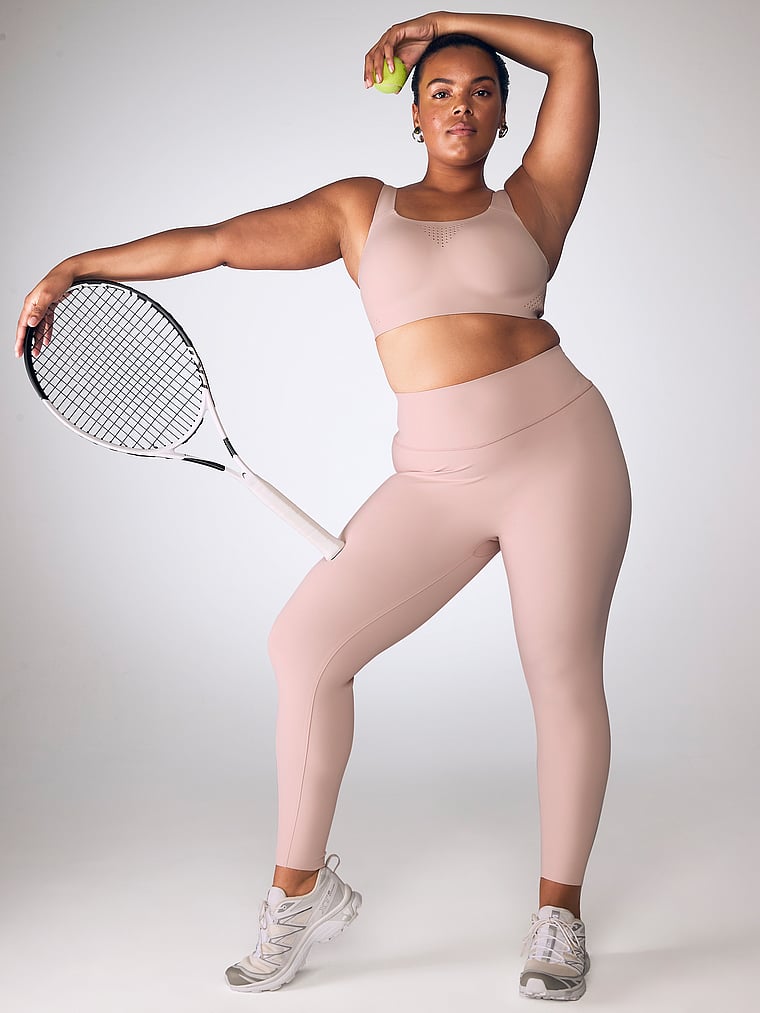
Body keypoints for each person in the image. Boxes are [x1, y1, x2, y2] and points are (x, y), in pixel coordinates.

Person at [15, 11, 632, 1003]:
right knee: (304, 646)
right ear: (413, 115)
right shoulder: (358, 211)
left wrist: (440, 23)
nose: (461, 107)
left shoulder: (535, 199)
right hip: (434, 478)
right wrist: (79, 265)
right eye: (441, 92)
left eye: (481, 92)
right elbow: (218, 242)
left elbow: (575, 51)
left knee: (558, 670)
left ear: (504, 116)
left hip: (561, 456)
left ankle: (558, 913)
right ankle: (301, 895)